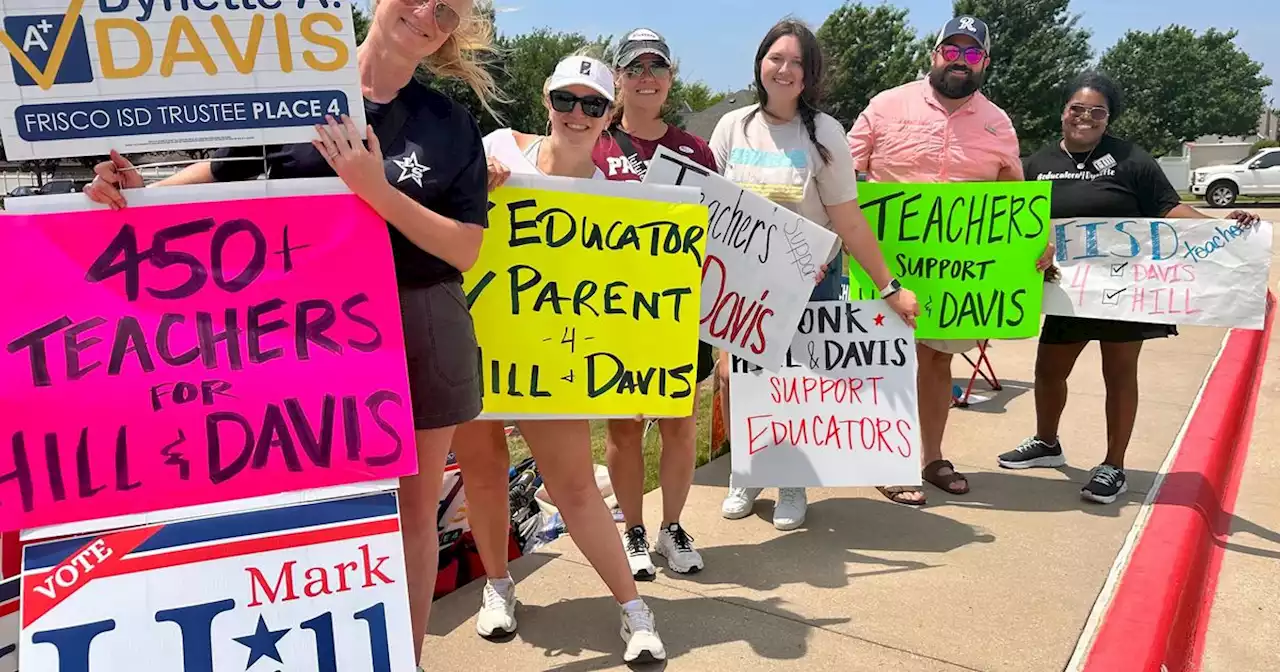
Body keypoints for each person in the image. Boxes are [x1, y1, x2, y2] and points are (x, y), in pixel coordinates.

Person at [82, 0, 501, 667]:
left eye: (447, 11)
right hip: (306, 333)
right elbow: (218, 178)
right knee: (313, 509)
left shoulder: (450, 125)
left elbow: (465, 250)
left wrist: (375, 190)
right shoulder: (292, 97)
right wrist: (139, 192)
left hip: (420, 326)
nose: (426, 15)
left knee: (413, 514)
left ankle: (405, 657)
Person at [457, 53, 666, 664]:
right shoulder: (497, 148)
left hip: (550, 358)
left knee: (574, 485)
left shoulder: (612, 197)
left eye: (593, 104)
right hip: (473, 342)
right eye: (566, 100)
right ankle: (498, 587)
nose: (577, 114)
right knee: (484, 473)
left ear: (609, 114)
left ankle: (633, 608)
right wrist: (478, 177)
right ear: (546, 100)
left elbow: (632, 291)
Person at [998, 70, 1262, 503]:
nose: (1085, 118)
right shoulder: (1039, 163)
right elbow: (1018, 221)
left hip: (1126, 290)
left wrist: (1222, 232)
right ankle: (1047, 444)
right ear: (1063, 111)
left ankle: (1113, 465)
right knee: (1048, 370)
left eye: (1096, 112)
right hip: (1067, 289)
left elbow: (1168, 206)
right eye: (1076, 109)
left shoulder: (1132, 160)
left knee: (1118, 374)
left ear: (1109, 118)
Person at [713, 18, 920, 531]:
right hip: (744, 287)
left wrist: (888, 286)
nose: (785, 70)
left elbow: (848, 218)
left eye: (797, 62)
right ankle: (750, 471)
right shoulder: (731, 127)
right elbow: (711, 208)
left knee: (800, 385)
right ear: (761, 62)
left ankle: (793, 481)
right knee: (744, 382)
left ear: (810, 75)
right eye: (776, 58)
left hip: (812, 285)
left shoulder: (825, 133)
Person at [846, 15, 1053, 506]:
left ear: (985, 63)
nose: (960, 61)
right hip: (884, 266)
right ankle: (887, 460)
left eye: (973, 54)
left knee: (937, 360)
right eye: (952, 50)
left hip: (955, 274)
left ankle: (932, 457)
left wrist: (1034, 243)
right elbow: (847, 172)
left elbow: (1012, 199)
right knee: (883, 362)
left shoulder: (997, 122)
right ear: (934, 53)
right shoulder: (885, 105)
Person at [590, 28, 718, 579]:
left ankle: (671, 526)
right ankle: (633, 531)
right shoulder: (594, 140)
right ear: (618, 79)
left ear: (670, 79)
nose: (646, 77)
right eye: (634, 67)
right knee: (623, 426)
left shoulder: (696, 150)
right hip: (614, 312)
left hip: (678, 311)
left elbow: (728, 234)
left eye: (656, 67)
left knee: (679, 423)